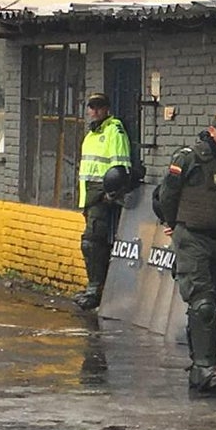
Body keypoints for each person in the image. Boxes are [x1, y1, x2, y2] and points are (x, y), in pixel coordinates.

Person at [156, 111, 216, 391]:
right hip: (191, 235)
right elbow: (166, 194)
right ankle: (205, 368)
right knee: (203, 302)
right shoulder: (188, 158)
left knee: (213, 304)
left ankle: (202, 365)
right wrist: (172, 223)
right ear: (212, 131)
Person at [74, 92, 132, 310]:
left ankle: (95, 290)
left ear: (107, 108)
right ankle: (96, 287)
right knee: (95, 244)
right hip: (89, 196)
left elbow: (121, 164)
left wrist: (113, 193)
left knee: (91, 243)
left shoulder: (113, 130)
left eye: (99, 107)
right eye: (92, 107)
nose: (95, 111)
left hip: (102, 195)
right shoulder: (91, 134)